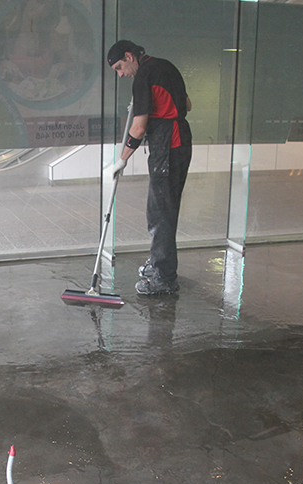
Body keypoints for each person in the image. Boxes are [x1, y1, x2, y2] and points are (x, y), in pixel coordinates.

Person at [107, 40, 192, 295]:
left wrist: (121, 160)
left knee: (160, 213)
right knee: (166, 208)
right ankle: (160, 263)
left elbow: (138, 127)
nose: (121, 74)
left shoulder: (143, 76)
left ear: (129, 56)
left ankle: (163, 277)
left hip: (167, 144)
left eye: (120, 67)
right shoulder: (167, 67)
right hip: (182, 140)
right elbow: (187, 105)